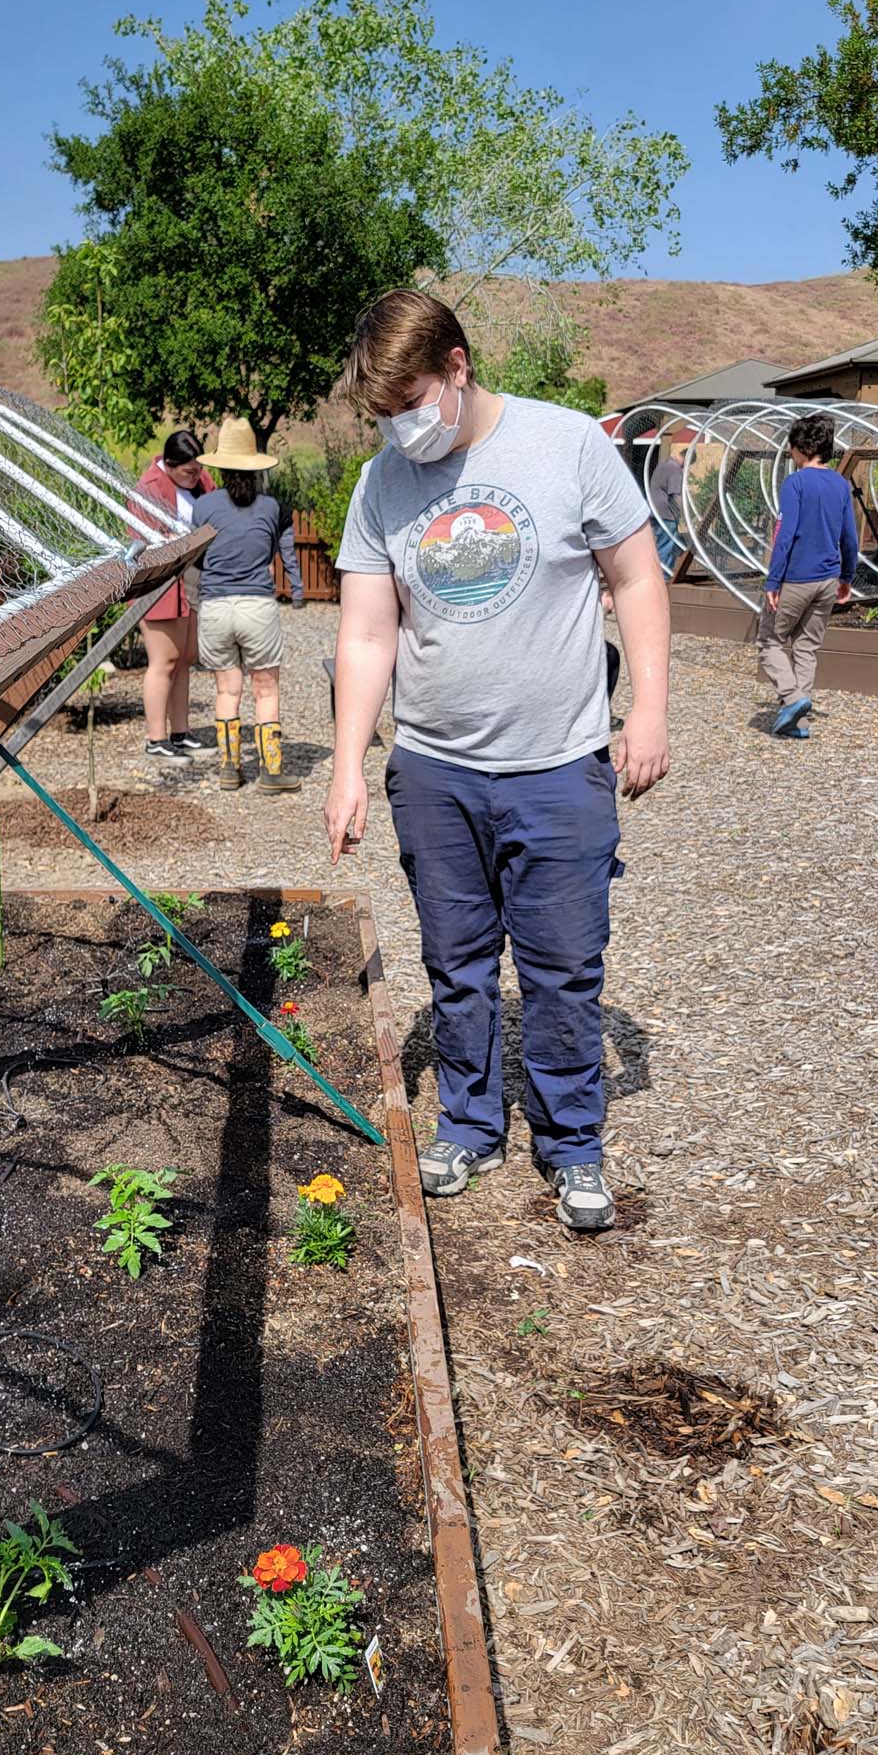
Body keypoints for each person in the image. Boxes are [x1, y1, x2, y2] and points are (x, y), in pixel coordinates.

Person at [324, 290, 670, 1232]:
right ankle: (470, 1124)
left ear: (458, 366)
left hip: (560, 763)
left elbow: (636, 576)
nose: (400, 427)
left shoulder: (565, 445)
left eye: (411, 402)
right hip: (436, 769)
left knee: (563, 966)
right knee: (459, 961)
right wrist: (349, 763)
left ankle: (572, 1142)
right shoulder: (380, 486)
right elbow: (365, 631)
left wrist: (647, 711)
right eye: (382, 413)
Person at [193, 418, 305, 794]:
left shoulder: (203, 506)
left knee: (227, 690)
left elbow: (196, 558)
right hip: (257, 604)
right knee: (266, 691)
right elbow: (275, 549)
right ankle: (271, 772)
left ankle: (229, 768)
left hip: (215, 606)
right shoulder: (272, 507)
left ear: (220, 465)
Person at [759, 412, 857, 739]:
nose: (789, 453)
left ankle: (793, 698)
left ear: (801, 447)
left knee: (770, 641)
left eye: (791, 447)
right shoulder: (841, 484)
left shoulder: (795, 483)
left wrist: (773, 581)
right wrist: (847, 577)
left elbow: (785, 536)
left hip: (796, 578)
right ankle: (797, 723)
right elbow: (849, 538)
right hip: (828, 580)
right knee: (806, 647)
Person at [129, 429, 215, 765]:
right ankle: (156, 738)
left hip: (191, 579)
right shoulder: (148, 489)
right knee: (163, 660)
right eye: (188, 471)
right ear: (170, 464)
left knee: (184, 658)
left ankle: (180, 732)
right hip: (161, 584)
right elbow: (141, 540)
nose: (196, 476)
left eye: (198, 469)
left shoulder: (201, 482)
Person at [648, 438, 685, 574]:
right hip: (666, 513)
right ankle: (662, 575)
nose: (685, 467)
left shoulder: (662, 465)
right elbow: (675, 494)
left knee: (663, 543)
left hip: (655, 510)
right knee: (666, 544)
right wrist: (683, 514)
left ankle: (661, 572)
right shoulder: (675, 469)